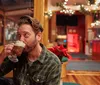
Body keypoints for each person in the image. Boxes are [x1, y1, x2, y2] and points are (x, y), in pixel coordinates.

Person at [0, 15, 61, 85]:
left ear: (38, 36)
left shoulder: (52, 62)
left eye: (26, 35)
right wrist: (2, 56)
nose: (21, 39)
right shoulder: (17, 55)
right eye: (19, 35)